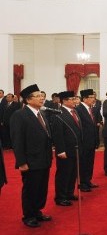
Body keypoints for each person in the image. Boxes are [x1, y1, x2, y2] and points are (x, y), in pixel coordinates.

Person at [10, 84, 53, 228]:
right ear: (28, 100)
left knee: (41, 188)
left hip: (44, 158)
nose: (42, 98)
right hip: (30, 160)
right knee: (30, 189)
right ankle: (28, 215)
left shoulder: (42, 113)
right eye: (38, 96)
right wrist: (21, 162)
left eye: (42, 95)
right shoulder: (19, 115)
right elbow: (17, 141)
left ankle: (37, 211)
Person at [51, 91, 83, 207]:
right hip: (65, 150)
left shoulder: (74, 112)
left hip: (75, 149)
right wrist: (60, 150)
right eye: (72, 99)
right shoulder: (58, 114)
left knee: (73, 173)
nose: (75, 101)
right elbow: (57, 135)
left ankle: (69, 193)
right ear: (64, 101)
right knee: (64, 174)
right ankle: (60, 197)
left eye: (75, 99)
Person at [75, 89, 99, 192]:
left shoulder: (90, 109)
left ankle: (88, 180)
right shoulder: (79, 109)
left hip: (91, 141)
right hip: (84, 142)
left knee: (90, 162)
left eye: (94, 97)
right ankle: (82, 183)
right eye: (91, 97)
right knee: (83, 163)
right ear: (84, 99)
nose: (93, 99)